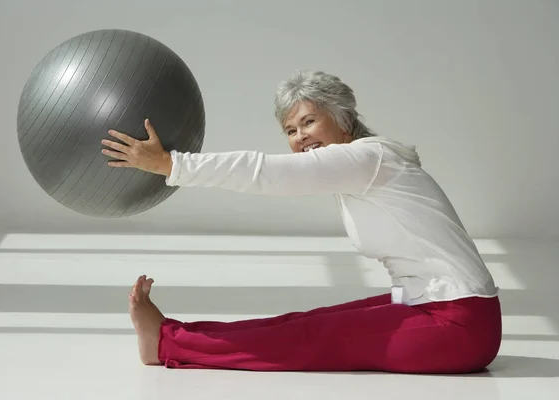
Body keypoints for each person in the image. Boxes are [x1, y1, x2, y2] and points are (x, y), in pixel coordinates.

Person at [100, 70, 502, 373]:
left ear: (343, 121)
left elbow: (264, 172)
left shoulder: (369, 158)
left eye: (309, 121)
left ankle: (168, 343)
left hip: (459, 324)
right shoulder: (363, 167)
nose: (300, 137)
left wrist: (171, 164)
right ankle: (172, 335)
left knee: (310, 339)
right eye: (290, 130)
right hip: (430, 307)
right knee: (310, 322)